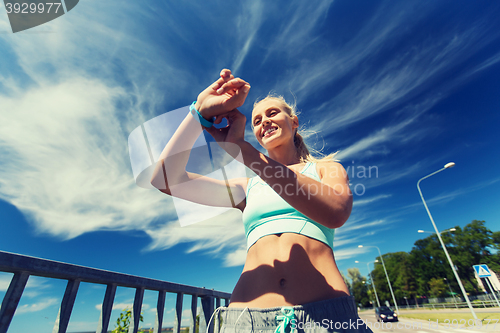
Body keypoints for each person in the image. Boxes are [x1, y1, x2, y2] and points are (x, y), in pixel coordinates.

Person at [150, 69, 372, 333]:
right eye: (255, 120)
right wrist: (198, 112)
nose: (263, 122)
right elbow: (165, 179)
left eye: (272, 113)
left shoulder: (326, 169)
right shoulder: (248, 187)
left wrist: (244, 152)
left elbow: (335, 212)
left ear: (294, 122)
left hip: (325, 319)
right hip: (247, 320)